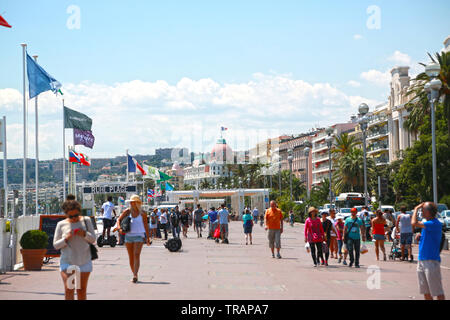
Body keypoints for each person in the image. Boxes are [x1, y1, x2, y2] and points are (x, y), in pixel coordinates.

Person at [54, 199, 96, 300]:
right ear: (66, 214)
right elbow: (56, 245)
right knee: (69, 289)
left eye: (76, 215)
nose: (74, 218)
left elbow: (93, 239)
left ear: (79, 212)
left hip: (84, 261)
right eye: (71, 216)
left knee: (81, 291)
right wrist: (66, 238)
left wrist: (84, 234)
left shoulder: (86, 220)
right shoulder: (61, 224)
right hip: (67, 262)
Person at [412, 202, 445, 300]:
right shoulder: (428, 224)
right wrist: (421, 237)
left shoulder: (433, 223)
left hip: (431, 261)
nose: (421, 212)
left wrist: (415, 209)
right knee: (426, 292)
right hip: (422, 259)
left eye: (423, 210)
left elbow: (413, 223)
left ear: (429, 212)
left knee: (437, 291)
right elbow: (430, 238)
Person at [117, 195, 151, 283]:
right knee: (131, 257)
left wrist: (148, 238)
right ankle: (134, 274)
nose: (131, 203)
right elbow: (119, 220)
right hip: (128, 236)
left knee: (136, 254)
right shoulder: (127, 212)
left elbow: (146, 226)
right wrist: (119, 228)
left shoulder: (143, 213)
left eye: (133, 202)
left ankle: (135, 274)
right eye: (131, 202)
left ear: (138, 203)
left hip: (139, 236)